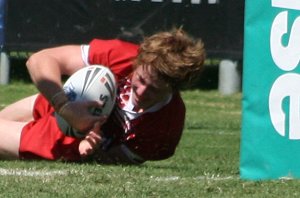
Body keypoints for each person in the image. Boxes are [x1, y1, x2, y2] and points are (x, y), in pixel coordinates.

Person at [0, 28, 205, 164]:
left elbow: (113, 160)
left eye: (154, 90)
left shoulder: (166, 129)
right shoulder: (123, 55)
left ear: (175, 89)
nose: (142, 92)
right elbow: (39, 60)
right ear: (139, 61)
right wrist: (64, 107)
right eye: (141, 80)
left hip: (63, 140)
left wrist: (89, 149)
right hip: (60, 103)